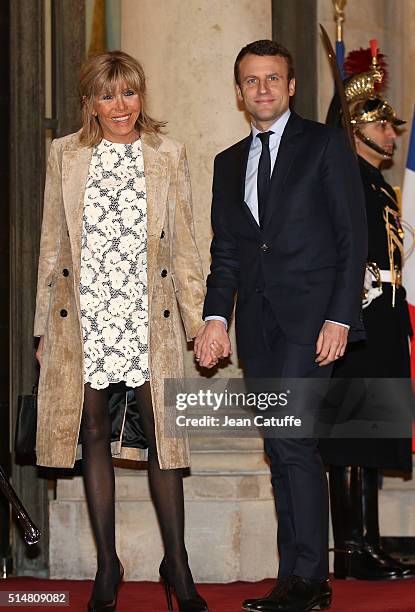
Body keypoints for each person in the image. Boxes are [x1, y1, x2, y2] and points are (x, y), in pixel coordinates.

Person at [34, 51, 214, 612]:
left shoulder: (168, 154)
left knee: (163, 434)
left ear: (142, 96)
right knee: (92, 434)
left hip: (147, 314)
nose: (120, 106)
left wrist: (200, 320)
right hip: (85, 315)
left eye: (129, 93)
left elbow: (185, 244)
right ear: (90, 101)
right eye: (107, 95)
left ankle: (177, 565)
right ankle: (107, 564)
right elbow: (51, 246)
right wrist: (43, 329)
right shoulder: (63, 155)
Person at [195, 39, 367, 612]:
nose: (262, 88)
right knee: (279, 445)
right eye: (251, 80)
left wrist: (341, 315)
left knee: (293, 440)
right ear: (239, 91)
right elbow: (228, 254)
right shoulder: (226, 163)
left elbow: (352, 237)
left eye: (273, 78)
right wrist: (216, 318)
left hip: (314, 322)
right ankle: (294, 574)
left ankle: (310, 579)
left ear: (291, 87)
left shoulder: (323, 145)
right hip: (259, 329)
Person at [320, 44, 415, 580]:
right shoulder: (346, 177)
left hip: (385, 318)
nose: (392, 135)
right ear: (356, 128)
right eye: (383, 127)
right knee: (350, 434)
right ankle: (351, 550)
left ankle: (370, 543)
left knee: (375, 431)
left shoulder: (378, 183)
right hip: (355, 317)